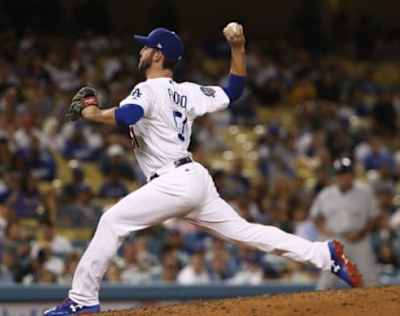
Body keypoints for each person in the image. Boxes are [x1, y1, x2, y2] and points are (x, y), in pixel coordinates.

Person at [45, 23, 362, 315]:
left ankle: (82, 301)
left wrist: (93, 114)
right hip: (193, 179)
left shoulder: (147, 89)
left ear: (157, 55)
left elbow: (127, 116)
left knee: (112, 221)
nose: (140, 51)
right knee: (245, 233)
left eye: (145, 48)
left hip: (173, 181)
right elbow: (234, 90)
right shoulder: (187, 91)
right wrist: (238, 49)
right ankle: (325, 255)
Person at [310, 157, 380, 289]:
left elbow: (374, 216)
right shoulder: (326, 194)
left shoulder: (365, 192)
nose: (344, 177)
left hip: (359, 240)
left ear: (352, 175)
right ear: (336, 176)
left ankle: (377, 309)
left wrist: (362, 233)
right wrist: (324, 231)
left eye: (347, 174)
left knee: (370, 280)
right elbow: (315, 215)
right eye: (341, 174)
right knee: (326, 283)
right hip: (336, 240)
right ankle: (320, 309)